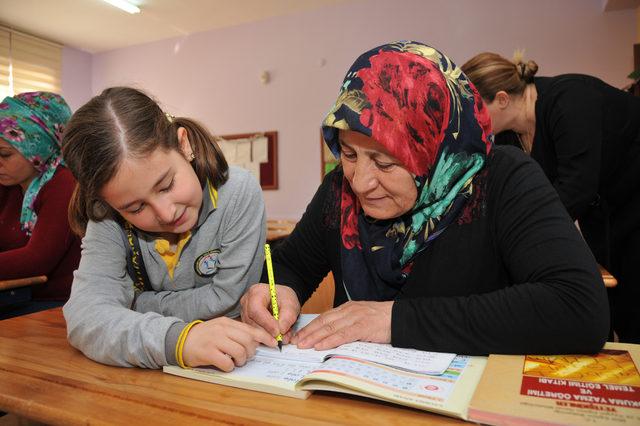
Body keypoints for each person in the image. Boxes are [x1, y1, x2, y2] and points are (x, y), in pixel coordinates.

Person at [241, 41, 609, 355]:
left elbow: (578, 308)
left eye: (384, 162)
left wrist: (392, 320)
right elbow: (291, 265)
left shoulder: (502, 180)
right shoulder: (340, 187)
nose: (361, 182)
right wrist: (278, 291)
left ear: (433, 151)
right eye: (349, 155)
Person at [61, 87, 276, 370]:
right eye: (136, 208)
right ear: (109, 203)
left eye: (167, 185)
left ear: (184, 144)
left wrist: (133, 304)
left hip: (233, 366)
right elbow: (86, 317)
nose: (166, 213)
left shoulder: (238, 192)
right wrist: (177, 341)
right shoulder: (107, 216)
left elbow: (228, 300)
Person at [461, 52, 640, 343]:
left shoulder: (570, 100)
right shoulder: (508, 137)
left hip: (633, 201)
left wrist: (519, 233)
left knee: (634, 300)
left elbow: (576, 187)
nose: (473, 121)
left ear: (503, 99)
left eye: (477, 110)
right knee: (612, 301)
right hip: (603, 213)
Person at [0, 92, 81, 318]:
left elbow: (37, 259)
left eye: (5, 154)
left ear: (39, 148)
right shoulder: (9, 183)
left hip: (54, 306)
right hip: (15, 297)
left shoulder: (65, 184)